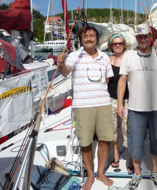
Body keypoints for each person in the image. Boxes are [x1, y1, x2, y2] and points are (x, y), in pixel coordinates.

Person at [57, 26, 114, 190]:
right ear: (81, 39)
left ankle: (101, 172)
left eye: (92, 36)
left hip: (103, 104)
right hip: (83, 106)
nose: (89, 38)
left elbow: (107, 81)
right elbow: (65, 72)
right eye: (85, 36)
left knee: (105, 140)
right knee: (85, 142)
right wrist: (60, 63)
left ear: (97, 38)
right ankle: (90, 175)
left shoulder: (104, 57)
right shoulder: (75, 56)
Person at [117, 22, 157, 190]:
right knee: (135, 142)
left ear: (151, 37)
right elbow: (122, 80)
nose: (143, 39)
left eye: (145, 36)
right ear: (136, 39)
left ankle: (155, 171)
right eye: (139, 37)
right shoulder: (128, 56)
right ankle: (137, 173)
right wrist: (119, 104)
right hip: (136, 109)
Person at [106, 34, 133, 172]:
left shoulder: (129, 59)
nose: (118, 45)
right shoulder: (108, 60)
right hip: (111, 99)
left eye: (120, 43)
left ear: (124, 44)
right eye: (115, 43)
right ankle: (116, 153)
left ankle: (131, 157)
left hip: (127, 99)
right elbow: (106, 82)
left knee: (127, 128)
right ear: (111, 45)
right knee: (113, 129)